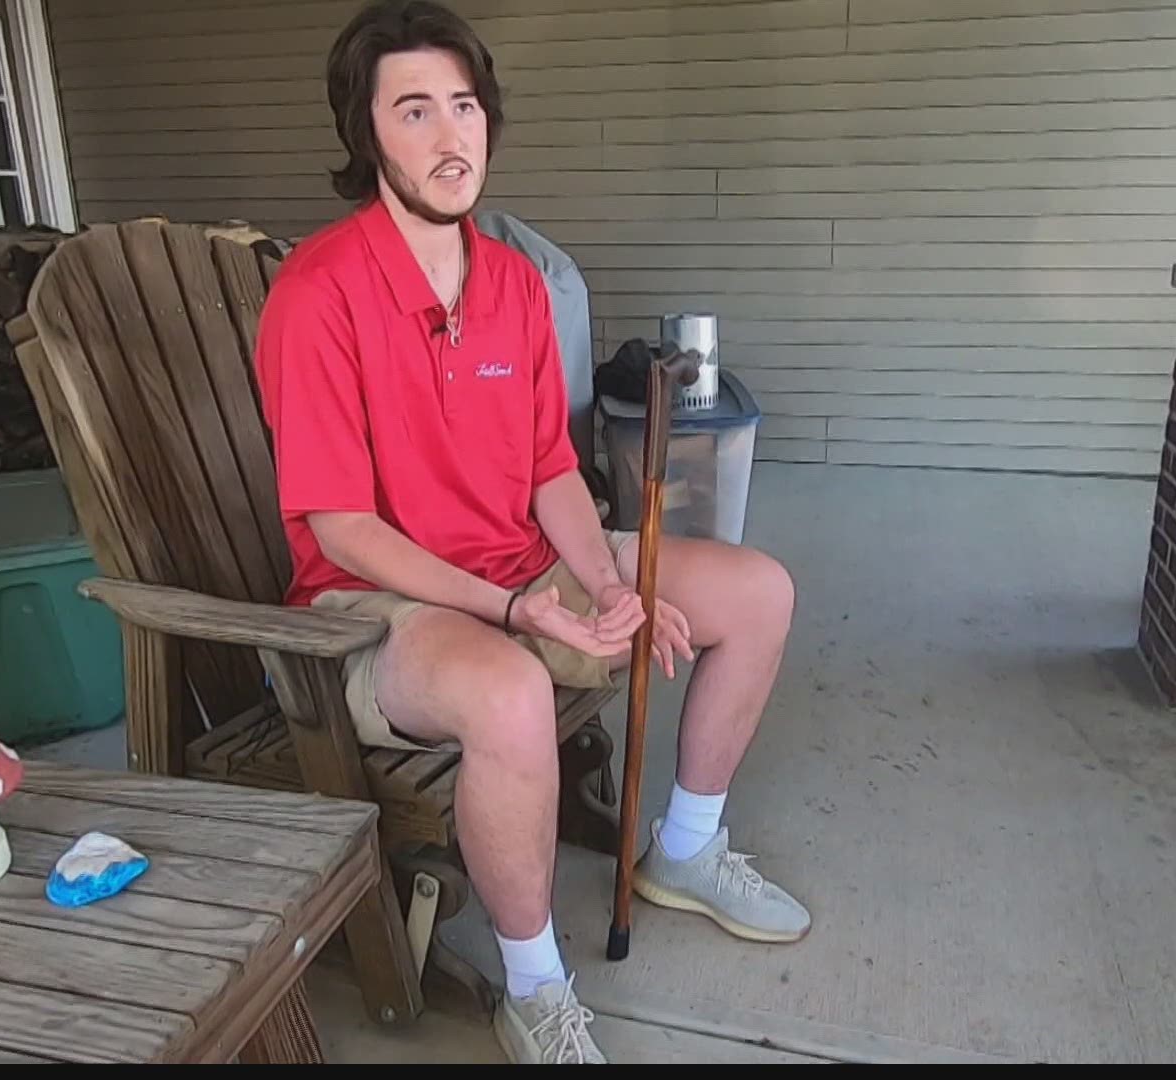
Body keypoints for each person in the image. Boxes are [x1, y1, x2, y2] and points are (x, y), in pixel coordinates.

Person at [253, 0, 809, 1064]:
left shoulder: (512, 281)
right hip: (373, 609)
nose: (450, 134)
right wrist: (513, 610)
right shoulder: (319, 292)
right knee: (508, 690)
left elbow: (550, 466)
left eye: (464, 106)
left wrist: (604, 584)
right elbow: (344, 528)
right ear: (364, 133)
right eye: (413, 110)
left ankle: (684, 850)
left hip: (524, 567)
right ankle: (535, 988)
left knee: (760, 590)